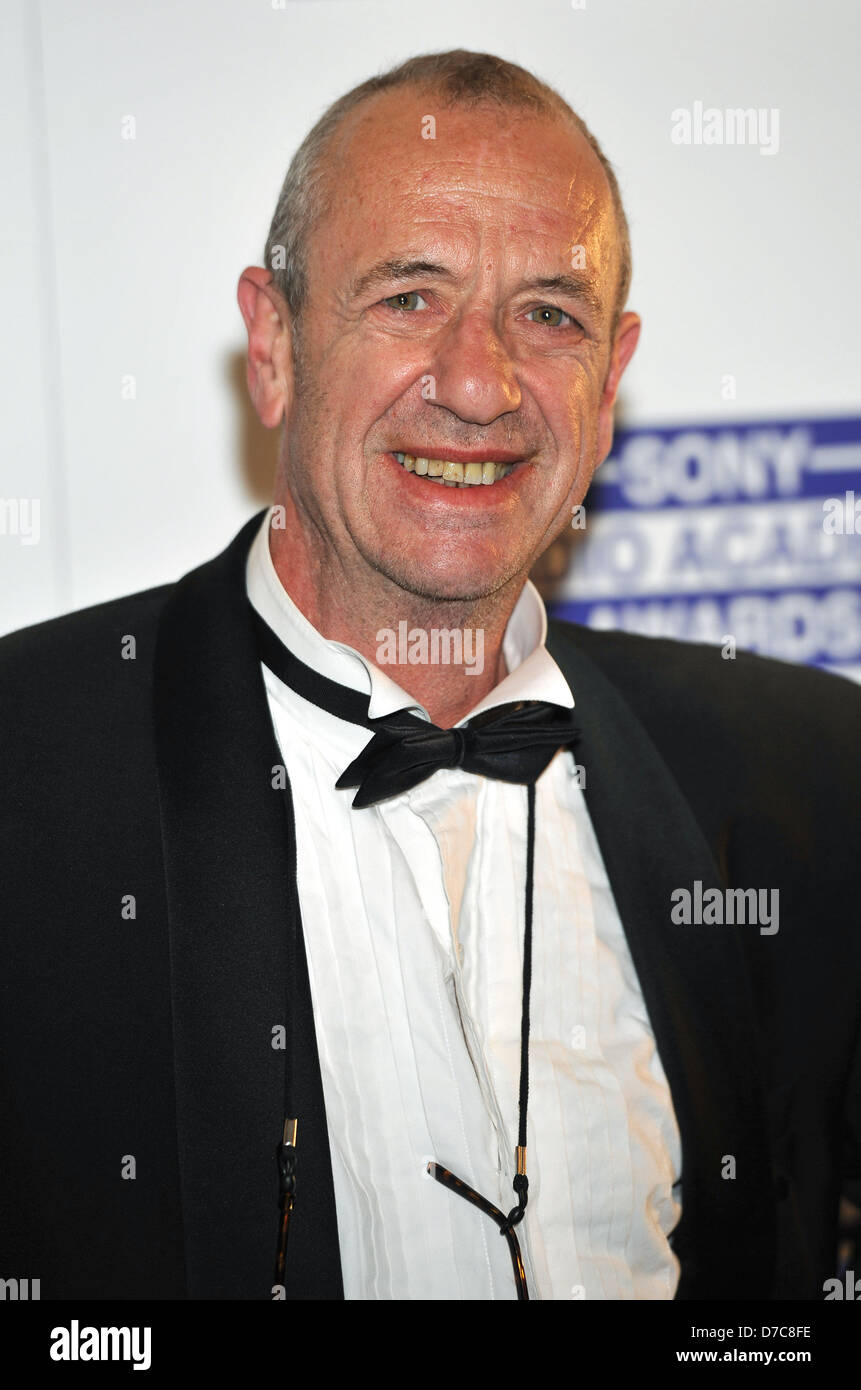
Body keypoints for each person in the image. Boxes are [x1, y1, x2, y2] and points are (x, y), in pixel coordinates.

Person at [1, 49, 859, 1303]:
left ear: (611, 385)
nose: (477, 381)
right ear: (275, 343)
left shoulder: (814, 778)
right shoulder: (28, 777)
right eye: (410, 295)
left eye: (549, 314)